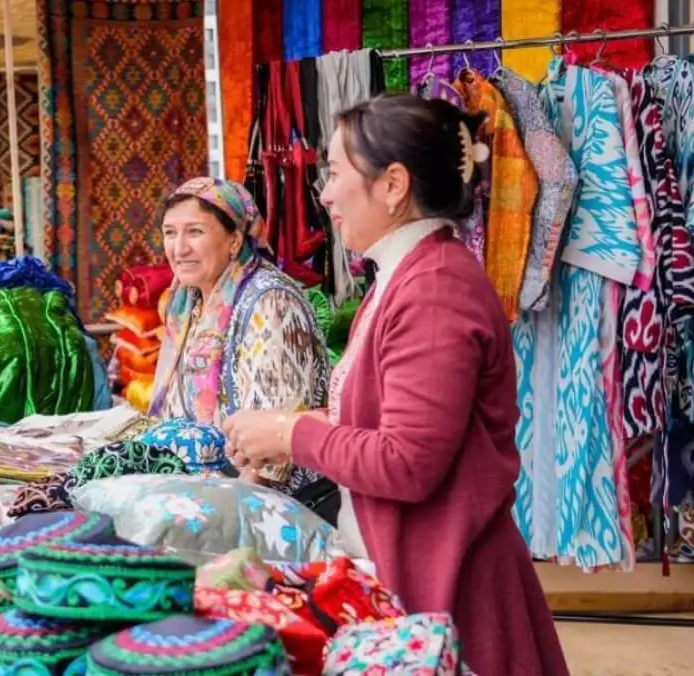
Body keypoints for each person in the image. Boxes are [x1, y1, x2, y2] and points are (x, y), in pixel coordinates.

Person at [224, 95, 568, 675]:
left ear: (393, 185)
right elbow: (396, 429)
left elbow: (408, 462)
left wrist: (292, 433)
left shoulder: (434, 289)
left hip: (452, 589)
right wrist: (287, 431)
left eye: (334, 174)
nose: (325, 194)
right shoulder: (405, 276)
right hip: (420, 572)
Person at [148, 177, 331, 499]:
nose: (179, 248)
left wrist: (229, 512)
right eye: (170, 233)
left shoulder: (270, 302)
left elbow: (275, 445)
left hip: (274, 499)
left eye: (195, 231)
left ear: (234, 240)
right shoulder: (186, 301)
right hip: (206, 485)